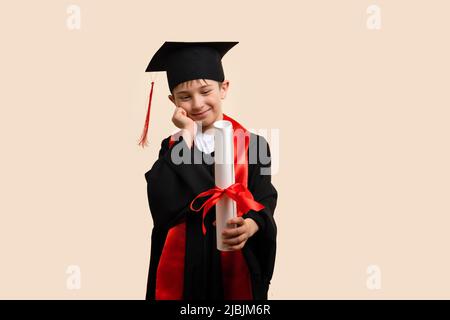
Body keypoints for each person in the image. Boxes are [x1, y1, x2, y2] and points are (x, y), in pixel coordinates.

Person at [141, 42, 278, 300]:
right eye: (185, 97)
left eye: (205, 91)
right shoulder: (172, 147)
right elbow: (161, 201)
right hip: (185, 266)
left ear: (223, 88)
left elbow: (265, 198)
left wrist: (251, 225)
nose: (197, 103)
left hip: (234, 257)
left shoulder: (254, 144)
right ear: (173, 101)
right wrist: (187, 136)